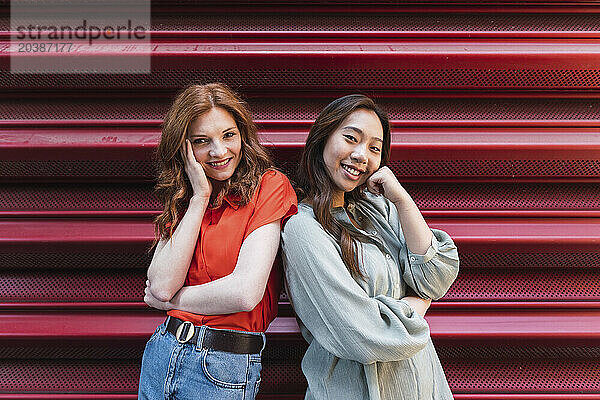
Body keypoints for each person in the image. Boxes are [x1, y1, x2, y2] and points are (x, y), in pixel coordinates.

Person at [280, 94, 459, 400]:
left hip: (421, 385)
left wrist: (402, 200)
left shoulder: (378, 209)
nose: (362, 155)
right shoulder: (302, 228)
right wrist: (415, 306)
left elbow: (435, 277)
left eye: (375, 148)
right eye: (351, 138)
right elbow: (360, 334)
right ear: (322, 138)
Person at [138, 83, 297, 399]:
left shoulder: (270, 187)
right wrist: (199, 198)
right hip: (162, 353)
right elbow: (161, 283)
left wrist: (170, 303)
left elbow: (244, 294)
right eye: (201, 141)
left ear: (242, 135)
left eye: (228, 135)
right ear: (184, 149)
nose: (219, 151)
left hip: (222, 366)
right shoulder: (188, 199)